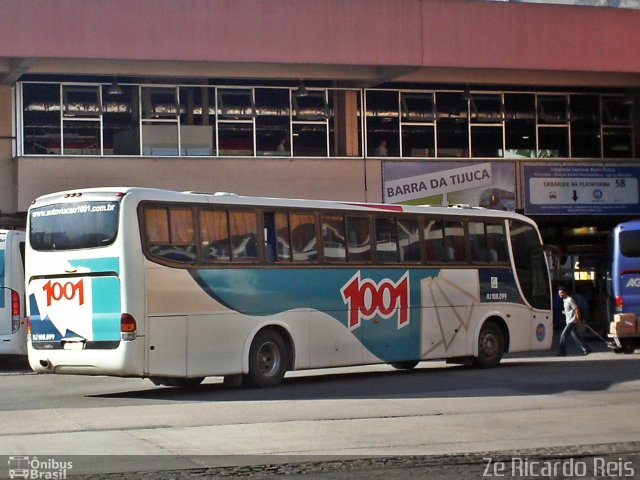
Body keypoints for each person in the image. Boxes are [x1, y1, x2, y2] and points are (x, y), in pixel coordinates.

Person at [556, 286, 590, 356]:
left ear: (565, 292)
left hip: (572, 321)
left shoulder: (569, 300)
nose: (560, 295)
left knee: (563, 335)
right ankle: (586, 349)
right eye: (559, 294)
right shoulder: (564, 300)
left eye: (561, 293)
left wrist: (578, 319)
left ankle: (562, 352)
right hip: (569, 321)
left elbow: (576, 308)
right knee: (576, 336)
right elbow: (570, 310)